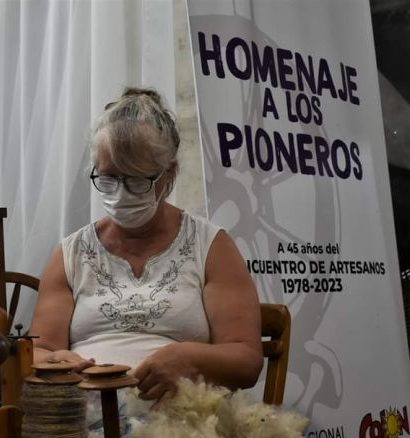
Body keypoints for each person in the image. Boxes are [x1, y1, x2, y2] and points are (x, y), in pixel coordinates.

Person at [30, 87, 263, 403]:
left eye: (136, 179)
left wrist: (189, 359)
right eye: (109, 178)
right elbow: (40, 348)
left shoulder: (211, 247)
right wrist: (52, 361)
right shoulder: (71, 254)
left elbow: (246, 359)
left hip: (186, 429)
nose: (121, 193)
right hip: (82, 423)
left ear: (168, 174)